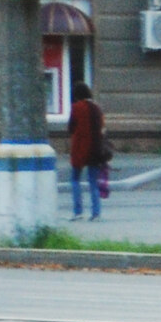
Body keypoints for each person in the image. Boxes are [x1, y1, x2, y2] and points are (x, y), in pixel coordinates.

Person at [66, 82, 109, 221]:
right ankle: (96, 213)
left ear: (77, 95)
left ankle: (78, 212)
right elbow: (103, 128)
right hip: (95, 150)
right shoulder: (97, 108)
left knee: (75, 180)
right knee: (93, 182)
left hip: (80, 149)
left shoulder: (76, 108)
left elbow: (71, 128)